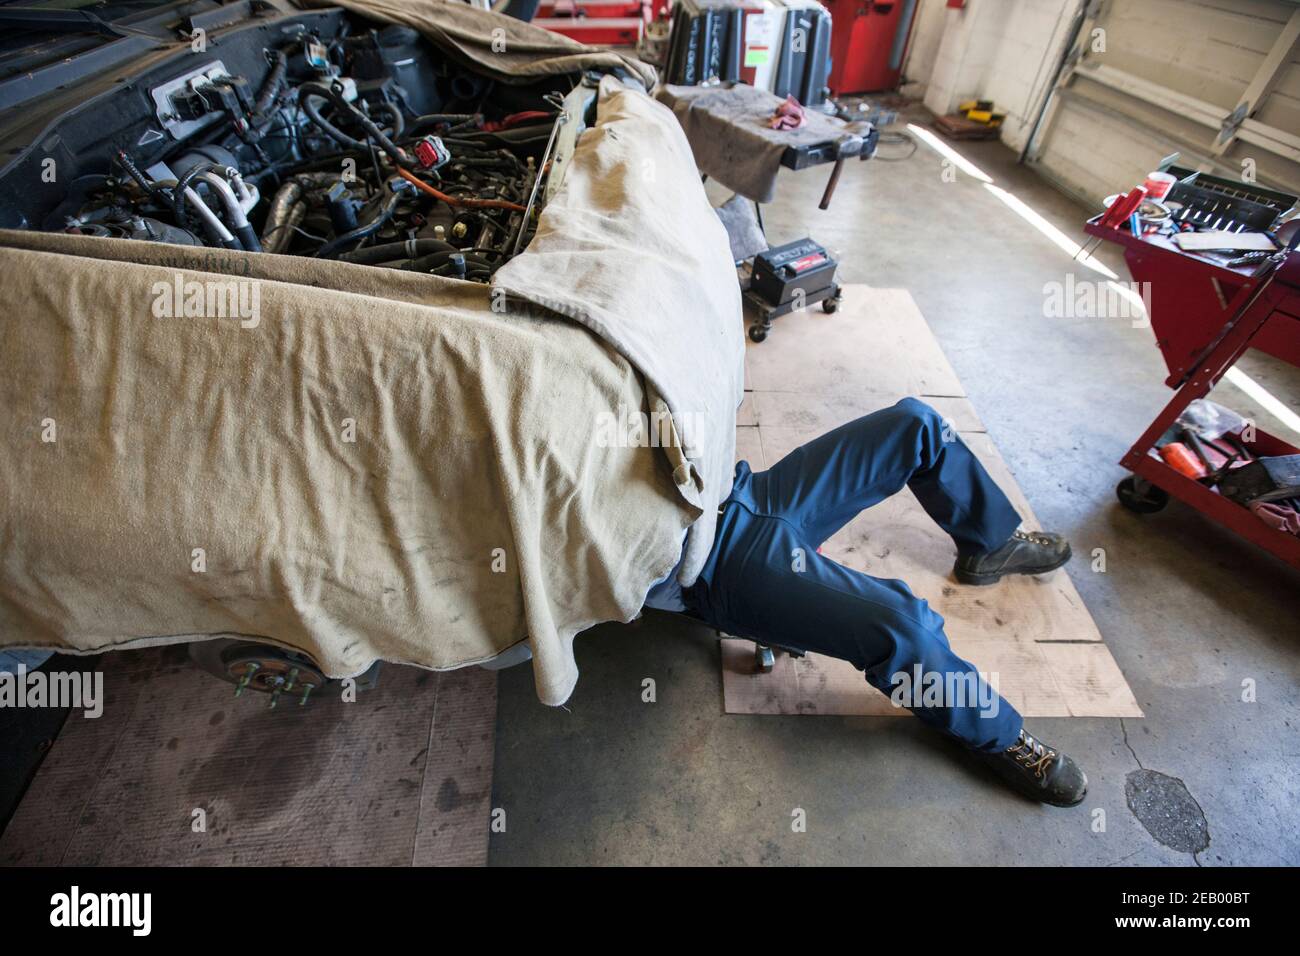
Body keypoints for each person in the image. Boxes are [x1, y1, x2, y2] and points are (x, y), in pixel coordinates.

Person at [645, 397, 1088, 807]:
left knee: (917, 425)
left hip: (741, 493)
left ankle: (989, 544)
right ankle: (995, 735)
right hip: (721, 566)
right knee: (906, 628)